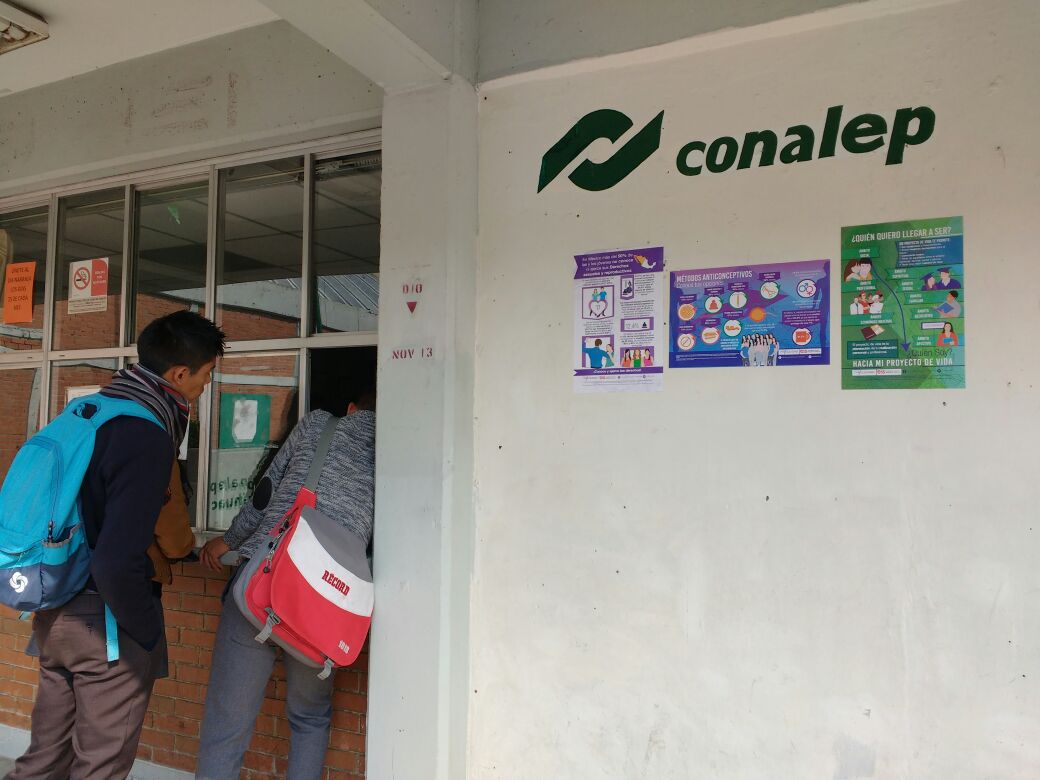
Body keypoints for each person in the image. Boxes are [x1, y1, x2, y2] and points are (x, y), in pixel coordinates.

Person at [10, 311, 224, 780]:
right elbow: (115, 561)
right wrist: (144, 634)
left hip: (54, 610)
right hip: (105, 623)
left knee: (43, 762)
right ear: (179, 374)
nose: (207, 385)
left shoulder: (88, 412)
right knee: (99, 768)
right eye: (208, 373)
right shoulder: (147, 434)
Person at [196, 382, 377, 780]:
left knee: (227, 726)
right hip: (326, 607)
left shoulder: (319, 425)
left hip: (265, 584)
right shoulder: (394, 458)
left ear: (351, 408)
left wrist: (228, 540)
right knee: (309, 718)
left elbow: (265, 495)